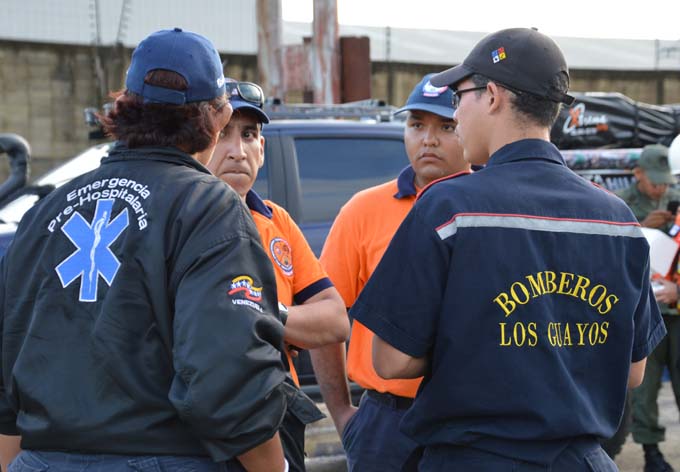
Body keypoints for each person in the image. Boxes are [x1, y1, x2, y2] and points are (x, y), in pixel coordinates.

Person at [351, 27, 666, 471]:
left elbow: (390, 359)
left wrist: (479, 344)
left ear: (493, 95)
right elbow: (633, 370)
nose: (456, 114)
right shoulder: (618, 220)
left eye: (459, 97)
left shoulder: (448, 208)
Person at [0, 28, 289, 472]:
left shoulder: (49, 209)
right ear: (217, 117)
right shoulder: (207, 207)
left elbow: (9, 360)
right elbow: (226, 378)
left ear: (122, 109)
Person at [312, 73, 470, 471]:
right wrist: (342, 413)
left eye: (446, 126)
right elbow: (326, 318)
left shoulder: (493, 208)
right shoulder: (363, 211)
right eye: (416, 125)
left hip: (470, 418)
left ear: (469, 125)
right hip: (386, 421)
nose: (428, 139)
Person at [206, 79, 348, 472]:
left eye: (249, 135)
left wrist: (265, 315)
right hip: (201, 427)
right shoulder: (177, 221)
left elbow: (334, 320)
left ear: (262, 149)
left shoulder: (276, 221)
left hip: (278, 414)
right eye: (223, 134)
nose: (237, 151)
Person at [616, 144, 680, 472]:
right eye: (656, 181)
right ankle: (651, 452)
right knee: (645, 388)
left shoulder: (677, 199)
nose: (661, 188)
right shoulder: (620, 204)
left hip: (676, 308)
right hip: (644, 309)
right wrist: (643, 224)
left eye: (666, 182)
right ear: (637, 173)